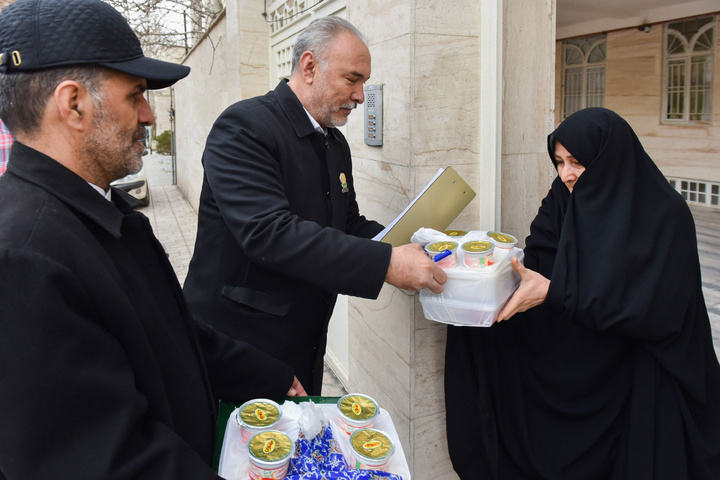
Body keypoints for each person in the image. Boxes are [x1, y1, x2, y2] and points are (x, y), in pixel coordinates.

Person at [0, 1, 306, 479]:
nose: (148, 115)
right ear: (73, 103)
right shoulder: (25, 258)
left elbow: (171, 335)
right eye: (137, 94)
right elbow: (108, 460)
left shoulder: (98, 209)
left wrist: (269, 376)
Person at [444, 107, 720, 479]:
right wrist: (482, 282)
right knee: (476, 330)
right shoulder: (562, 197)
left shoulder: (665, 215)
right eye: (559, 161)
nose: (566, 174)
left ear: (607, 157)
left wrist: (559, 293)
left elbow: (657, 309)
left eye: (577, 162)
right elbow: (540, 259)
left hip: (640, 358)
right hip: (577, 334)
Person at [184, 16, 447, 395]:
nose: (360, 95)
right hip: (238, 347)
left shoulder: (334, 143)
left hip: (302, 344)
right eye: (352, 79)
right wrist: (388, 264)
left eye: (363, 84)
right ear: (309, 67)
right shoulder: (245, 127)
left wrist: (406, 243)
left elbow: (348, 223)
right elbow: (268, 233)